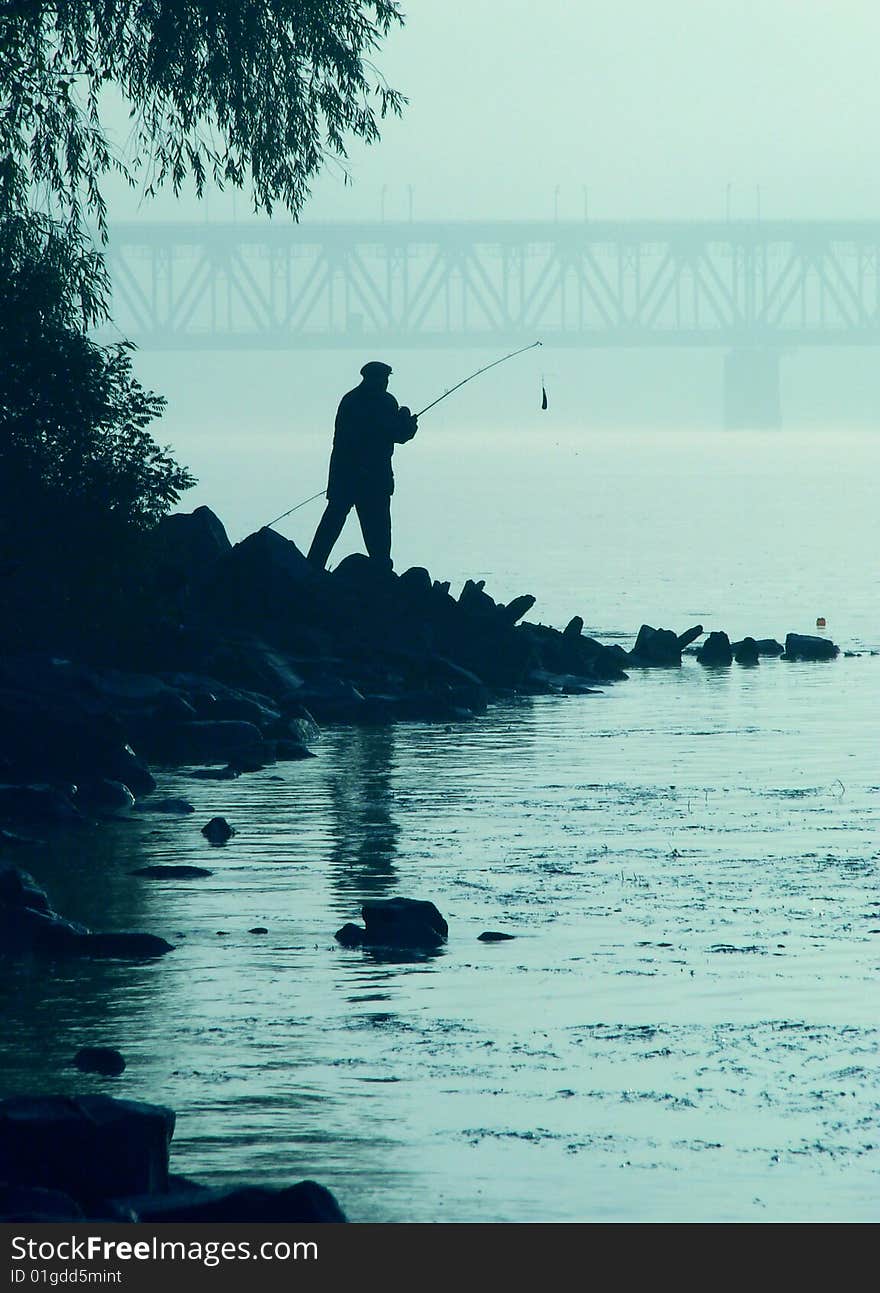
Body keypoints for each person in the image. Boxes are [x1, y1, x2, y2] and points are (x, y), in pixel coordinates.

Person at [307, 361, 417, 571]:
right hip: (374, 480)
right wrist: (408, 423)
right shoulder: (384, 402)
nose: (385, 383)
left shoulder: (350, 400)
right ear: (374, 379)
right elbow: (397, 435)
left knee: (331, 525)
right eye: (384, 379)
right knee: (378, 533)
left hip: (344, 477)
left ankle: (312, 568)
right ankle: (382, 574)